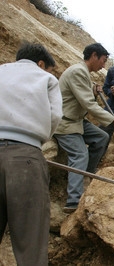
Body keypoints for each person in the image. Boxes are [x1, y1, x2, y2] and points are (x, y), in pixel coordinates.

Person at [0, 42, 62, 265]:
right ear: (41, 63)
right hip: (25, 157)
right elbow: (55, 116)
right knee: (30, 243)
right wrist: (38, 139)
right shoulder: (46, 78)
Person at [54, 43, 114, 213]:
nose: (103, 65)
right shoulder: (77, 72)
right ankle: (73, 201)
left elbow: (82, 95)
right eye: (103, 60)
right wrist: (112, 119)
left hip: (77, 120)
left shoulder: (83, 73)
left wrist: (93, 90)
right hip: (65, 121)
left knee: (101, 137)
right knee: (79, 154)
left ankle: (87, 175)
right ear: (94, 55)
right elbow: (88, 104)